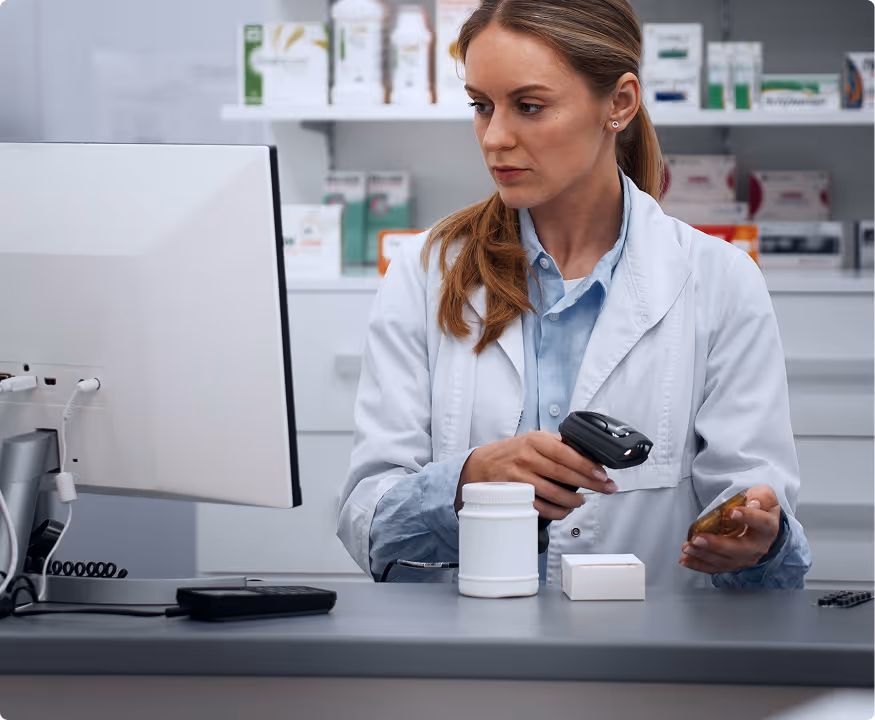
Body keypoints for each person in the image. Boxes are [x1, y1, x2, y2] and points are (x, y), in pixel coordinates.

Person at [337, 0, 811, 590]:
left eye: (530, 107)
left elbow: (760, 522)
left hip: (646, 653)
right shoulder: (426, 271)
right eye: (481, 106)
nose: (495, 137)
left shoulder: (719, 278)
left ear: (619, 104)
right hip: (461, 656)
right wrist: (465, 482)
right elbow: (366, 523)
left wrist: (756, 541)